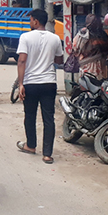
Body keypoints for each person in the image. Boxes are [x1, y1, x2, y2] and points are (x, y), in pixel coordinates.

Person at [16, 9, 65, 164]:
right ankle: (47, 154)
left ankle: (31, 145)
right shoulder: (55, 38)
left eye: (30, 20)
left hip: (31, 83)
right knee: (48, 118)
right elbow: (59, 60)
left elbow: (22, 61)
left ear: (36, 21)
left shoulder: (25, 37)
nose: (30, 22)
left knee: (30, 116)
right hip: (49, 83)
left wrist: (20, 84)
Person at [73, 13, 108, 79]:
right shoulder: (99, 34)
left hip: (86, 64)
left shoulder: (82, 33)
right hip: (95, 65)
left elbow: (75, 47)